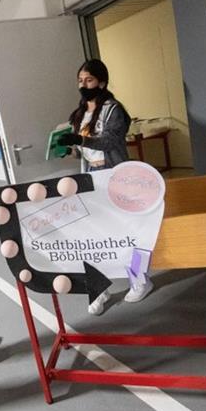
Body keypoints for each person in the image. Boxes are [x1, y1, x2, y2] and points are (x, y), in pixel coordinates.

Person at [57, 59, 154, 314]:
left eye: (88, 80)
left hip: (117, 178)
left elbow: (109, 142)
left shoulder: (114, 110)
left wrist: (80, 138)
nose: (83, 85)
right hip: (91, 180)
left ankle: (139, 280)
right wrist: (69, 148)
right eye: (80, 80)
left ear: (101, 81)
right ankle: (99, 288)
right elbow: (83, 152)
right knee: (92, 235)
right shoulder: (78, 115)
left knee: (128, 231)